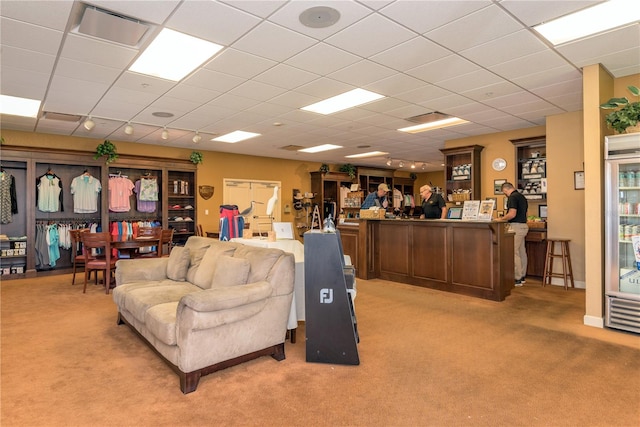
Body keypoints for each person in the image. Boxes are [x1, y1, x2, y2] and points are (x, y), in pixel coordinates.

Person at [499, 182, 529, 286]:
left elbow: (512, 214)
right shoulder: (521, 196)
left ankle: (517, 278)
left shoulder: (512, 197)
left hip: (516, 226)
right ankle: (522, 275)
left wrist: (501, 219)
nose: (505, 194)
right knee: (521, 252)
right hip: (523, 226)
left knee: (513, 252)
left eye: (504, 192)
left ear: (505, 190)